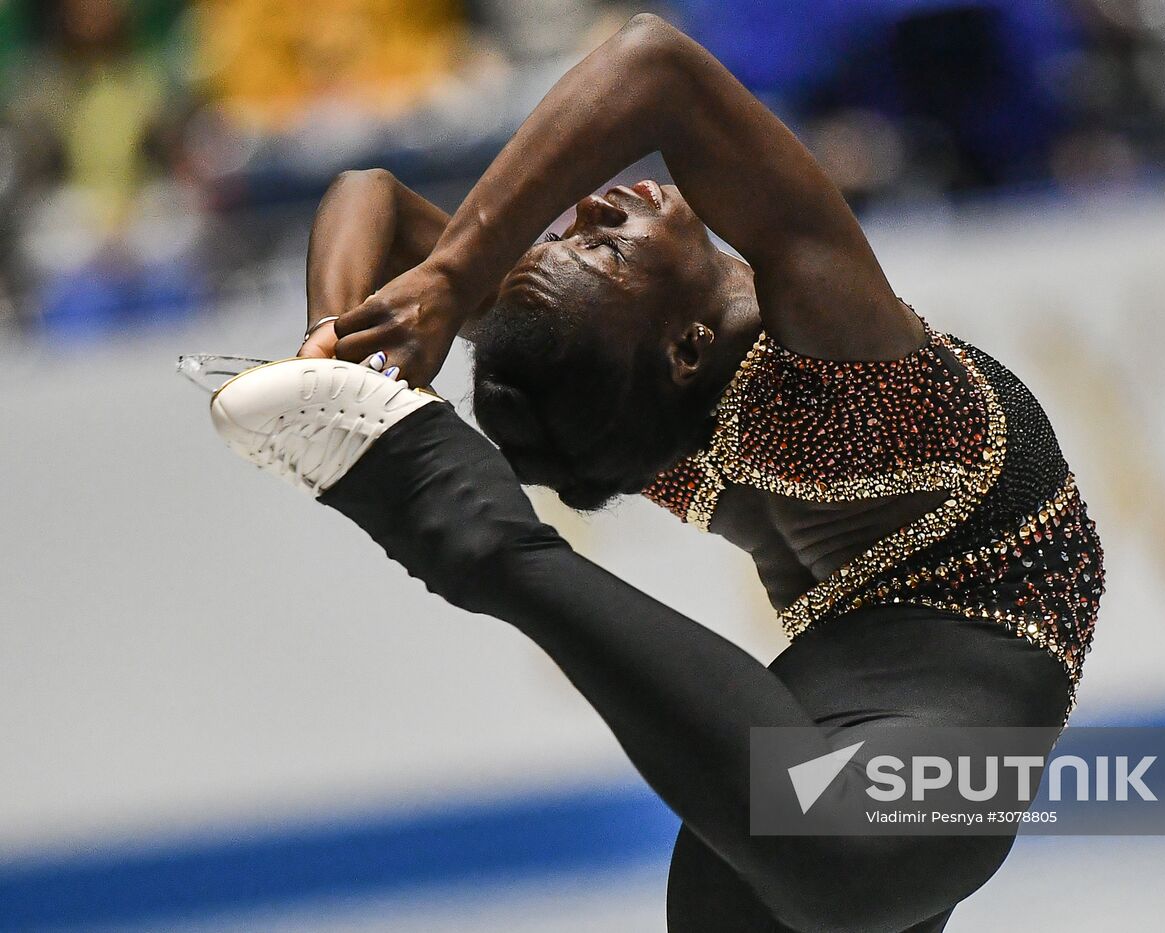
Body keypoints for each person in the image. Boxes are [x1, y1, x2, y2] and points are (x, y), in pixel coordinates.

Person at [217, 14, 1104, 931]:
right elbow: (657, 67)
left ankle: (464, 517)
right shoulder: (838, 350)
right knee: (838, 847)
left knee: (828, 843)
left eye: (564, 235)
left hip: (817, 748)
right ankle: (470, 528)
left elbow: (369, 195)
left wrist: (332, 343)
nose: (589, 210)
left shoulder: (634, 417)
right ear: (685, 347)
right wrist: (450, 279)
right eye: (602, 251)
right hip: (875, 766)